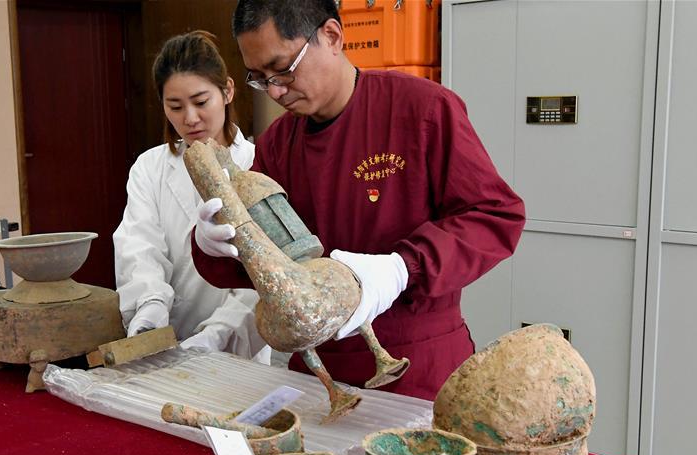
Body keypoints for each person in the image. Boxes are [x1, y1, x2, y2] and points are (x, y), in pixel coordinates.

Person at [191, 1, 526, 400]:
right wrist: (216, 244)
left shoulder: (422, 110)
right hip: (319, 375)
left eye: (283, 69)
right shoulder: (279, 143)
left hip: (416, 364)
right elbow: (268, 263)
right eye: (260, 78)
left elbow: (494, 215)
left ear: (331, 36)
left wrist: (403, 267)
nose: (276, 90)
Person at [114, 30, 268, 361]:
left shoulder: (258, 165)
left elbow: (262, 271)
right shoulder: (150, 168)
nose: (190, 119)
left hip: (239, 349)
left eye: (200, 102)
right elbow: (138, 246)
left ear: (227, 91)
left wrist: (218, 334)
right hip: (164, 342)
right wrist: (149, 306)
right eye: (175, 106)